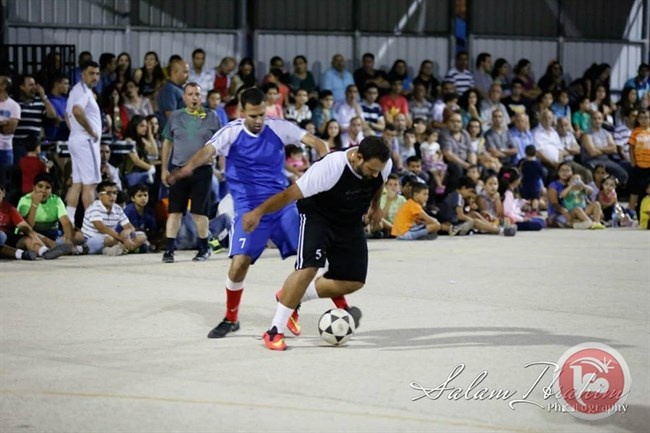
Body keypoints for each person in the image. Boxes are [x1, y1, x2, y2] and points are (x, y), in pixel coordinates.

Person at [168, 87, 328, 339]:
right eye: (253, 115)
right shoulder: (230, 132)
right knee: (239, 264)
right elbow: (207, 151)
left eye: (262, 114)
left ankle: (293, 302)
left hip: (281, 203)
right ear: (241, 112)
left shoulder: (278, 126)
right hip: (248, 209)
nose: (258, 121)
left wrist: (325, 158)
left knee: (310, 259)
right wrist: (188, 168)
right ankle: (231, 319)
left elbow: (317, 142)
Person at [240, 136, 391, 350]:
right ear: (358, 157)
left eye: (379, 169)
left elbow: (378, 183)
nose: (375, 173)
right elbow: (288, 195)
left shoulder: (382, 165)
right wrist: (258, 213)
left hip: (348, 219)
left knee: (353, 281)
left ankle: (293, 296)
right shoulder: (331, 168)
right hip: (317, 215)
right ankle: (275, 330)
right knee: (309, 268)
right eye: (371, 168)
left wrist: (375, 206)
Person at [160, 82, 222, 262]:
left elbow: (220, 142)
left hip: (202, 170)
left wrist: (218, 162)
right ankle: (169, 249)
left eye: (197, 94)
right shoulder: (176, 116)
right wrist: (164, 168)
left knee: (198, 212)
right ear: (184, 97)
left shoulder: (212, 116)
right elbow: (167, 143)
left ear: (201, 97)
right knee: (174, 211)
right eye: (190, 94)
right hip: (178, 170)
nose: (194, 98)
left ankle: (204, 248)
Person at [64, 60, 102, 224]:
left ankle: (69, 224)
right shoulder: (84, 93)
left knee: (77, 184)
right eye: (91, 73)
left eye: (97, 74)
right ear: (82, 74)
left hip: (75, 139)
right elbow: (76, 111)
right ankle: (92, 227)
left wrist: (75, 131)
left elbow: (67, 115)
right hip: (85, 141)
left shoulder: (75, 90)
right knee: (90, 185)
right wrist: (91, 131)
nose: (95, 77)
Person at [81, 181, 148, 255]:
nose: (112, 196)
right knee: (110, 239)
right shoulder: (94, 208)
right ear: (100, 195)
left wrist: (127, 231)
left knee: (142, 236)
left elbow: (130, 227)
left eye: (115, 193)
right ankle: (128, 248)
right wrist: (124, 239)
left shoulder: (117, 208)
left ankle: (120, 249)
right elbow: (102, 228)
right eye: (109, 193)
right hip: (93, 239)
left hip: (114, 237)